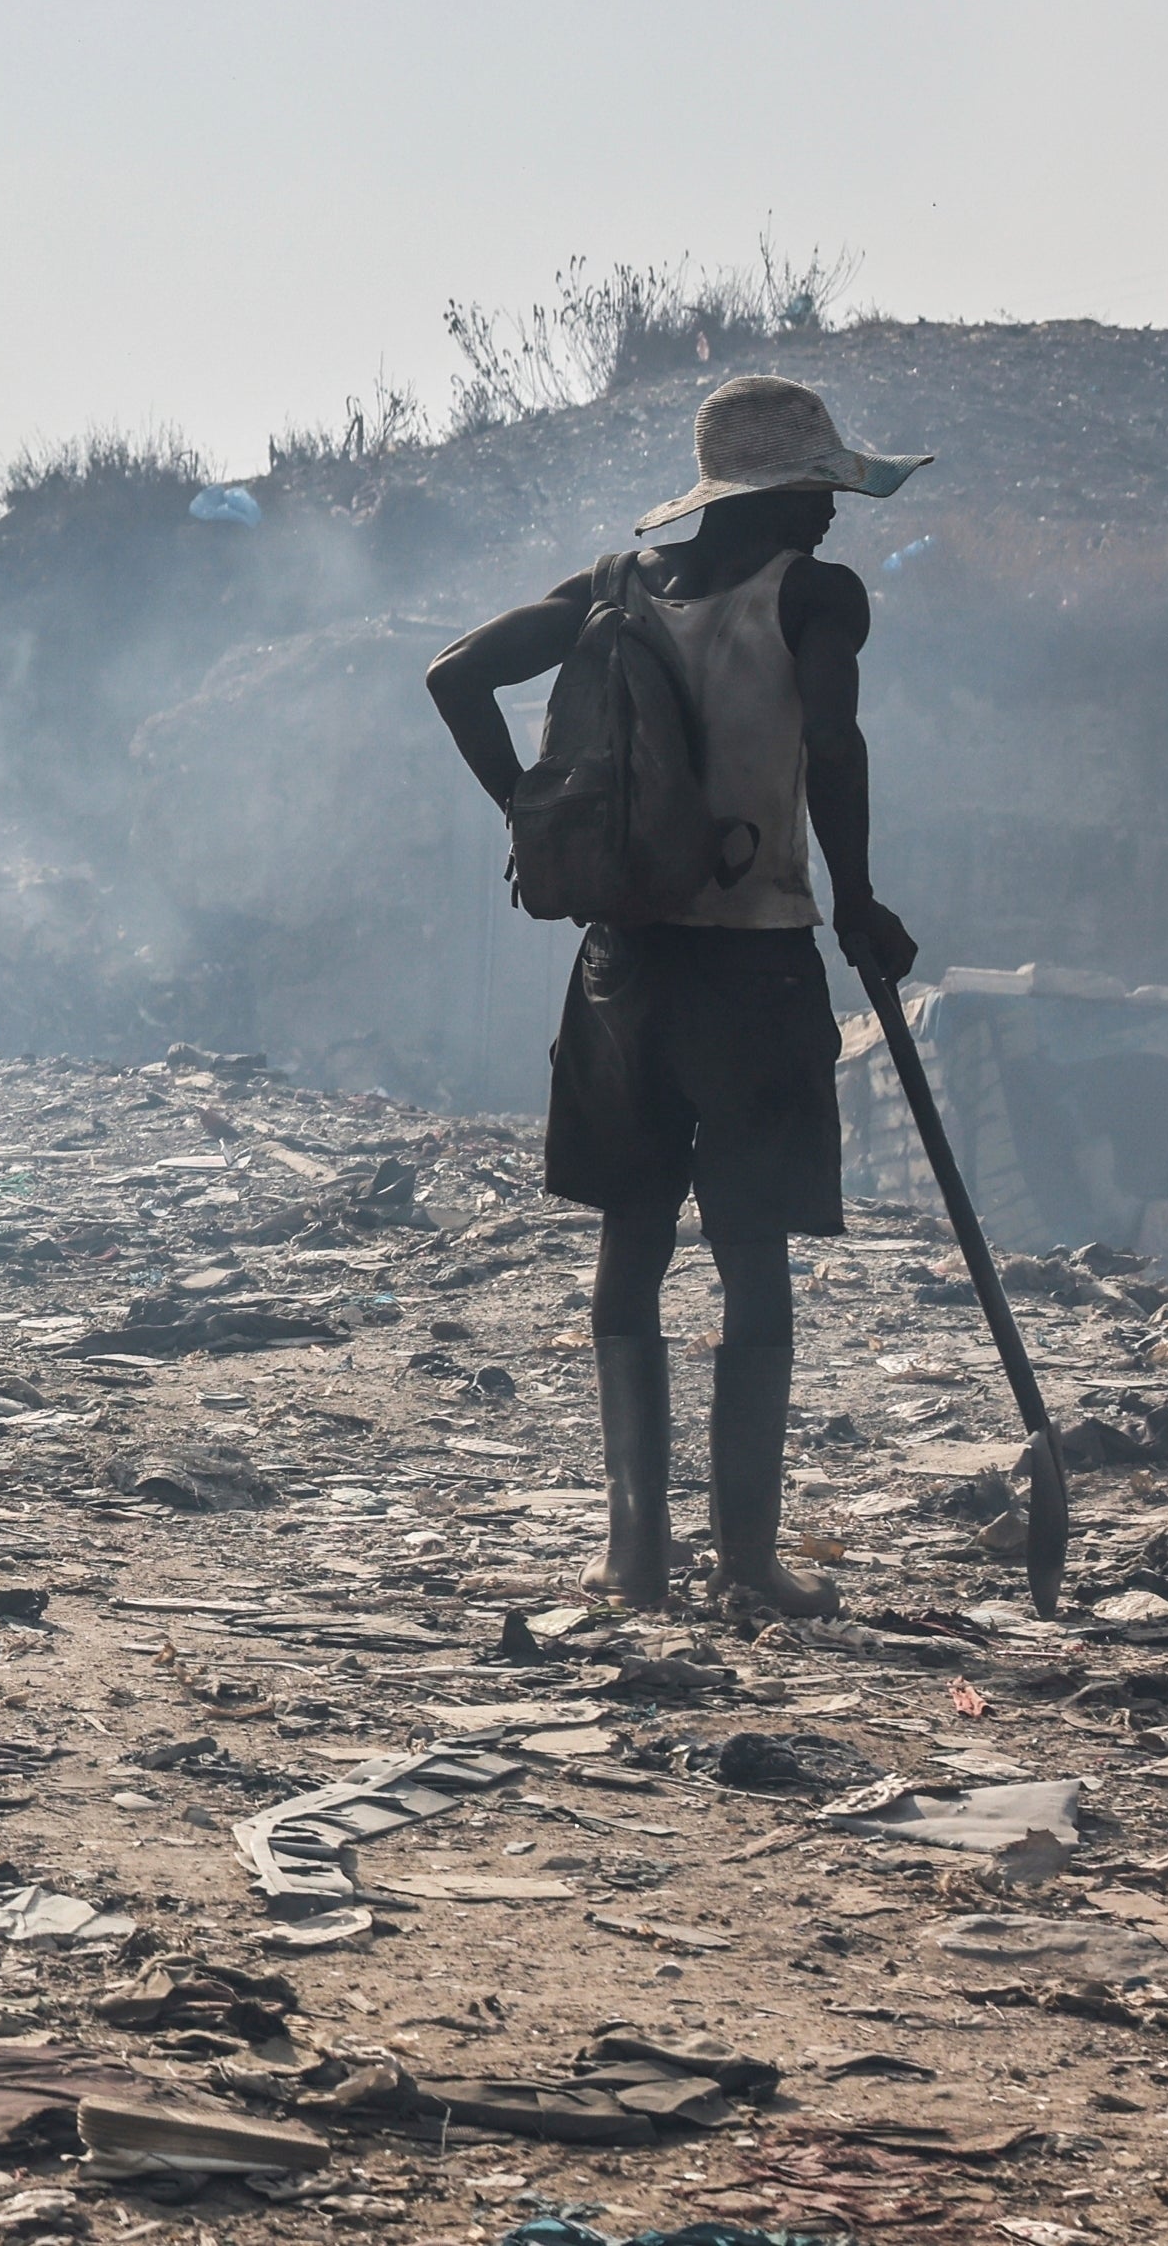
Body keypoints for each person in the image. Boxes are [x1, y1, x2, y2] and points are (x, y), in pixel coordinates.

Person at [425, 376, 925, 1625]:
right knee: (750, 1253)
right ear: (778, 493)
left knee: (631, 1237)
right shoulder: (813, 597)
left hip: (620, 963)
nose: (830, 511)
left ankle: (632, 1557)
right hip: (752, 962)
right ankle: (746, 1559)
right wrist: (857, 897)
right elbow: (834, 746)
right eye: (817, 488)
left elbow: (452, 677)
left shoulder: (613, 586)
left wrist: (532, 816)